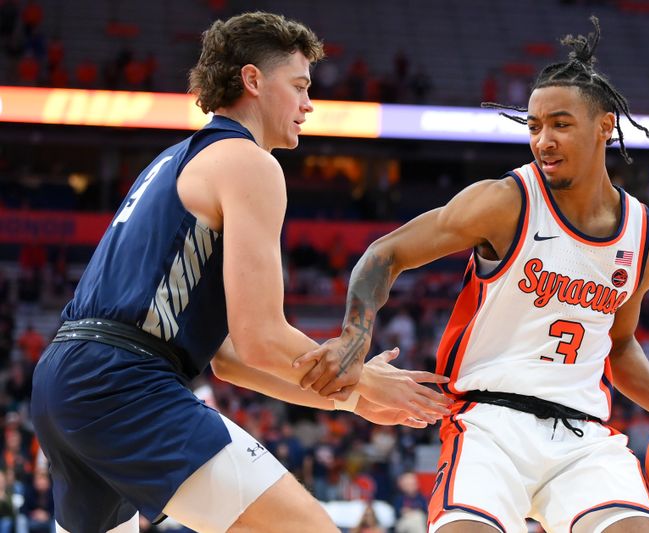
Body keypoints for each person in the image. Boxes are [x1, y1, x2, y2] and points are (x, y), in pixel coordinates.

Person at [30, 11, 451, 533]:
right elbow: (260, 338)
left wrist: (356, 399)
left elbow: (230, 359)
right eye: (298, 86)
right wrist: (366, 379)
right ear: (253, 80)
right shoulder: (249, 163)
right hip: (123, 382)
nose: (308, 104)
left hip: (64, 379)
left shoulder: (174, 159)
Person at [296, 18, 649, 533]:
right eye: (535, 126)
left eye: (560, 124)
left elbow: (620, 345)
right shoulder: (505, 203)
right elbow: (383, 255)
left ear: (605, 125)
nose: (543, 140)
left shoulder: (646, 240)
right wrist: (352, 342)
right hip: (486, 426)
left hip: (582, 438)